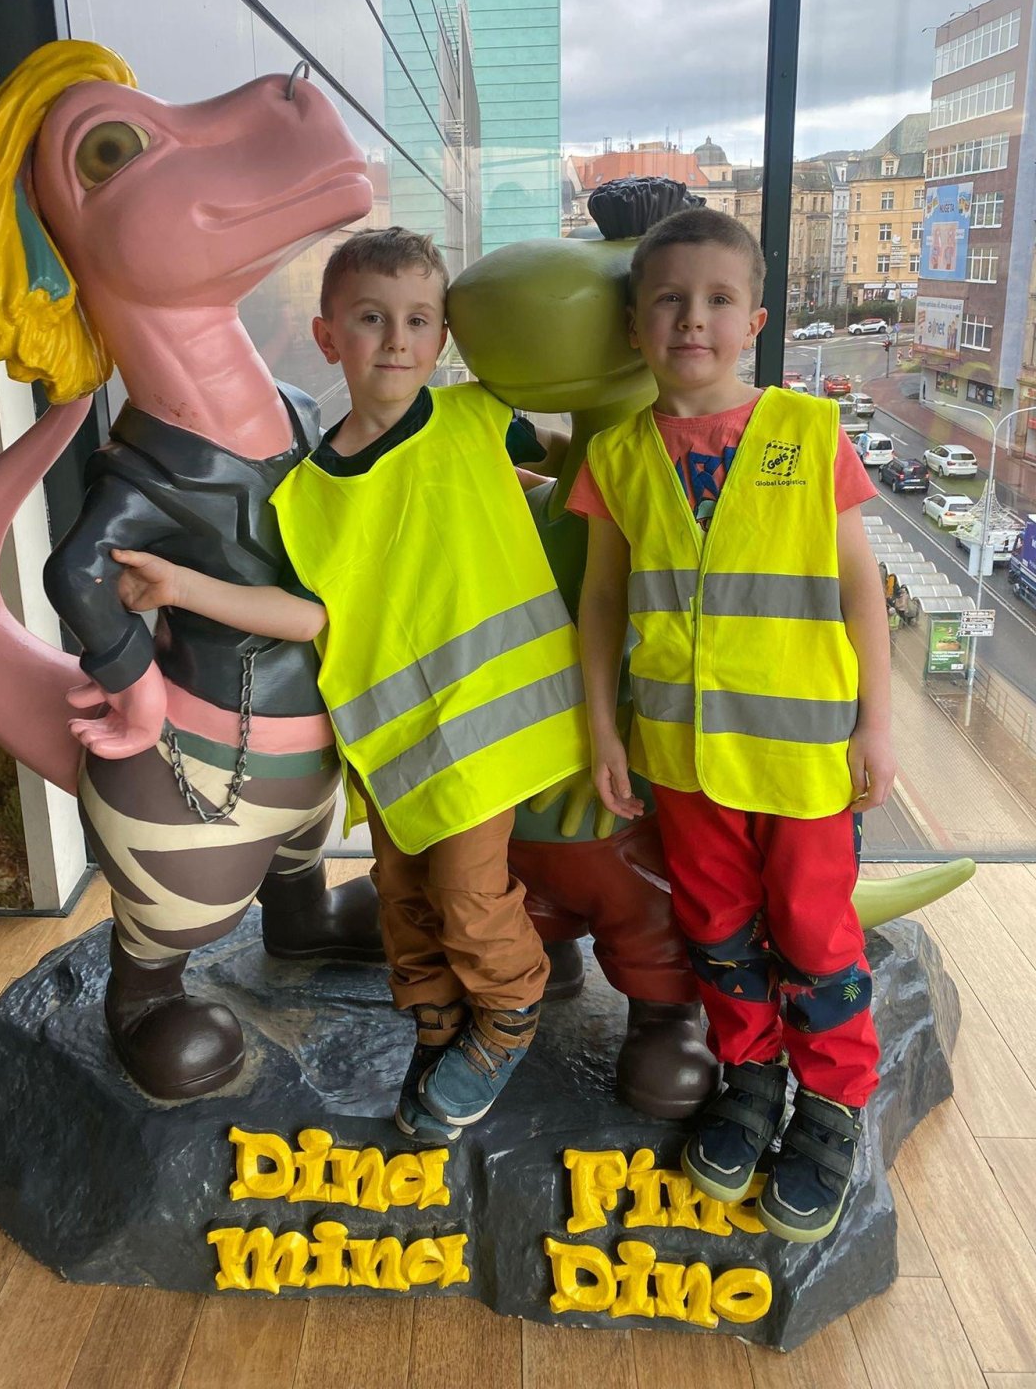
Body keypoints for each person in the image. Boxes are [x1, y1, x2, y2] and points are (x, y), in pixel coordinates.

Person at [111, 227, 591, 1145]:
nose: (398, 340)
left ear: (444, 336)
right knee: (402, 896)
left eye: (419, 320)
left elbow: (580, 449)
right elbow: (307, 615)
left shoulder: (479, 418)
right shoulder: (306, 492)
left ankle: (508, 1016)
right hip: (394, 739)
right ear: (328, 336)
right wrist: (179, 587)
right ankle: (438, 1024)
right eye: (373, 319)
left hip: (497, 728)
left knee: (468, 893)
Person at [573, 206, 896, 1244]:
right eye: (668, 300)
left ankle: (833, 1099)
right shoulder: (618, 456)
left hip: (803, 760)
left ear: (754, 321)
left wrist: (877, 727)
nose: (692, 319)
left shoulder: (810, 432)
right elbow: (602, 606)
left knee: (814, 932)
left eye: (717, 299)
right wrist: (604, 731)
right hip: (683, 760)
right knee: (715, 929)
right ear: (635, 326)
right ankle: (750, 1076)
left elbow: (861, 591)